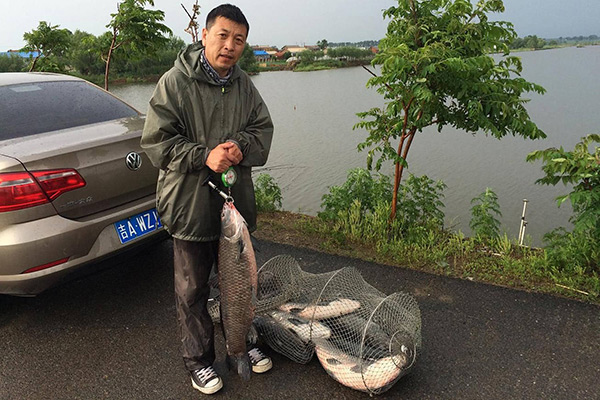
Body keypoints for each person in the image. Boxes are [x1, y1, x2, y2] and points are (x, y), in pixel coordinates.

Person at [140, 4, 274, 395]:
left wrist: (239, 145)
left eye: (239, 40)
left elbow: (262, 130)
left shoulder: (244, 85)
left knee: (240, 282)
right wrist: (203, 155)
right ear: (204, 34)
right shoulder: (175, 82)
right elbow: (156, 142)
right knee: (193, 288)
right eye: (223, 35)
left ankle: (242, 344)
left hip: (233, 204)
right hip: (190, 202)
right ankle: (199, 360)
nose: (230, 46)